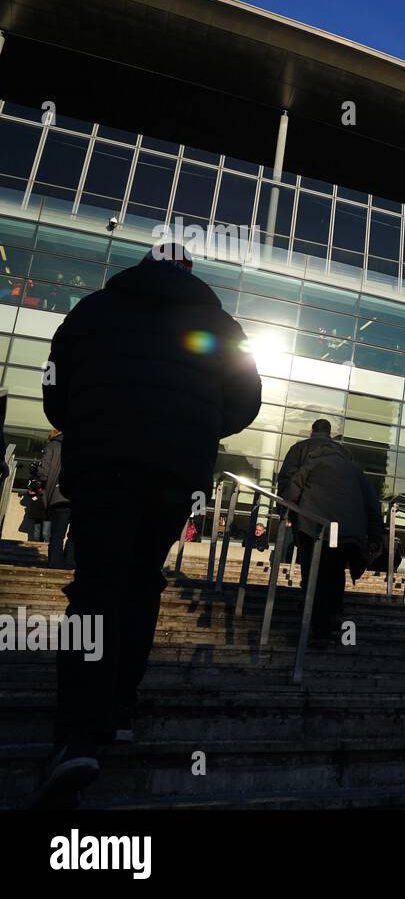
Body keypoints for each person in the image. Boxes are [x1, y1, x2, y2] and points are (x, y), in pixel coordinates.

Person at [32, 242, 261, 809]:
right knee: (141, 582)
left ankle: (78, 736)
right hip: (173, 469)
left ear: (140, 266)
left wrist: (89, 419)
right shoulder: (220, 322)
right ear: (189, 273)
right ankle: (120, 709)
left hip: (104, 463)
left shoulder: (91, 310)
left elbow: (55, 390)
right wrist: (200, 429)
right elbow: (247, 400)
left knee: (97, 587)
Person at [281, 434, 382, 639]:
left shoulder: (312, 463)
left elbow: (292, 490)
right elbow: (373, 504)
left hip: (313, 528)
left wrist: (287, 515)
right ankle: (332, 615)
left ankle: (319, 626)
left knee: (313, 575)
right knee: (335, 573)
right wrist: (375, 535)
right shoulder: (355, 470)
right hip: (346, 533)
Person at [276, 419, 335, 585]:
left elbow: (287, 478)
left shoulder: (299, 448)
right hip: (332, 511)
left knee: (307, 549)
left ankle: (308, 589)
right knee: (329, 554)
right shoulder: (341, 452)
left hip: (304, 509)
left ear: (312, 430)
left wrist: (283, 508)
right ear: (329, 432)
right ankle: (323, 596)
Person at [36, 430, 73, 569]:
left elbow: (43, 472)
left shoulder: (52, 445)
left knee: (57, 535)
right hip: (80, 497)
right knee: (74, 535)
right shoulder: (85, 446)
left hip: (58, 496)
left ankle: (55, 564)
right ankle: (70, 562)